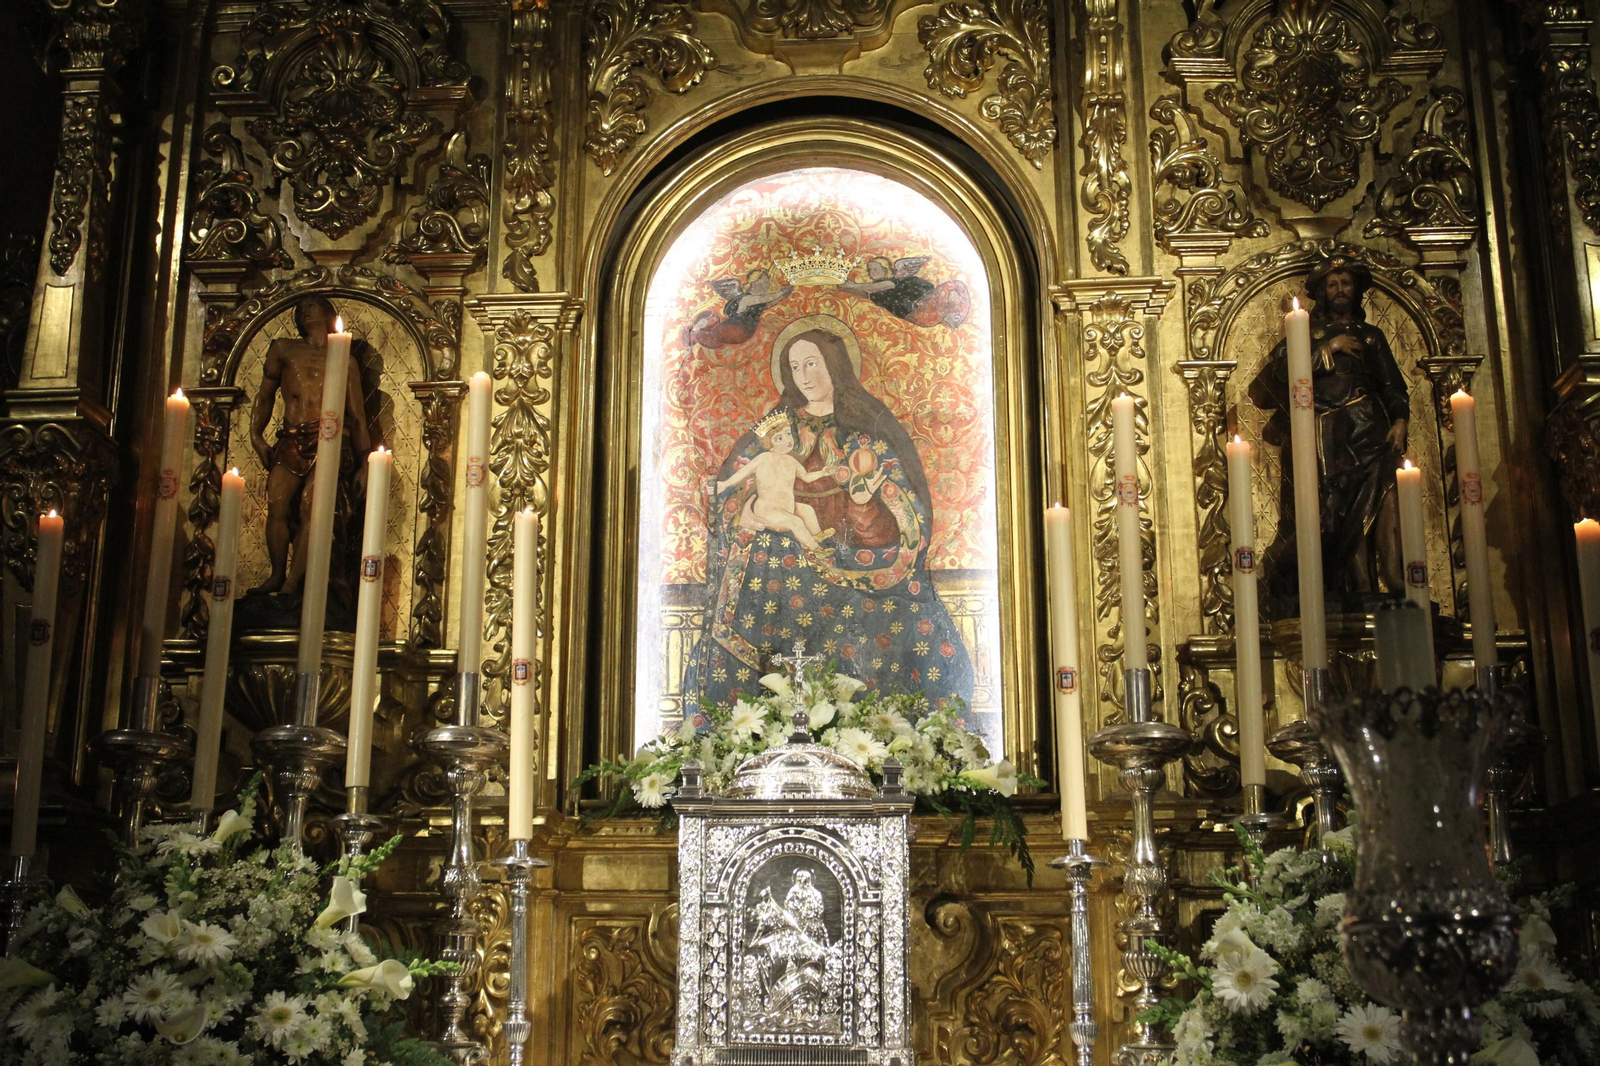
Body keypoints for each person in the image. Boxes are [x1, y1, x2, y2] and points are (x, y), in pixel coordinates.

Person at [685, 316, 975, 713]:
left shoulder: (867, 433)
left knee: (902, 611)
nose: (803, 375)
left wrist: (864, 504)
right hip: (779, 571)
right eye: (794, 366)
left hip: (857, 565)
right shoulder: (774, 431)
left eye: (812, 363)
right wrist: (749, 508)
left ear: (835, 366)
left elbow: (905, 514)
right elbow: (731, 492)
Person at [1249, 257, 1410, 608]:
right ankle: (1359, 582)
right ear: (1323, 291)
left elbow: (1392, 385)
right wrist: (1327, 350)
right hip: (1327, 432)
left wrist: (1400, 419)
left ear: (1356, 290)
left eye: (1346, 284)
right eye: (1333, 284)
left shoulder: (1371, 336)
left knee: (1382, 499)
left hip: (1370, 428)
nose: (1340, 290)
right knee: (1339, 509)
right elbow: (1272, 380)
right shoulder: (1306, 332)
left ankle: (1394, 578)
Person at [248, 295, 374, 595]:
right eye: (301, 308)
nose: (305, 311)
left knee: (312, 506)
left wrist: (365, 462)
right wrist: (256, 436)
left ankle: (294, 583)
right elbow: (264, 396)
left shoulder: (347, 360)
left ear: (329, 313)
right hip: (291, 437)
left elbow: (357, 416)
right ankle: (277, 574)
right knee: (277, 503)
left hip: (330, 442)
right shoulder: (284, 349)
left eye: (313, 306)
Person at [716, 410, 840, 551]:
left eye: (788, 434)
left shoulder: (791, 461)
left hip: (787, 508)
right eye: (779, 438)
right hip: (767, 511)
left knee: (807, 509)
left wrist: (822, 473)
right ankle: (817, 550)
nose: (787, 440)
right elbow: (742, 473)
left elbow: (806, 476)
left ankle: (817, 536)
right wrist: (725, 484)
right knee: (796, 521)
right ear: (770, 443)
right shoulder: (763, 458)